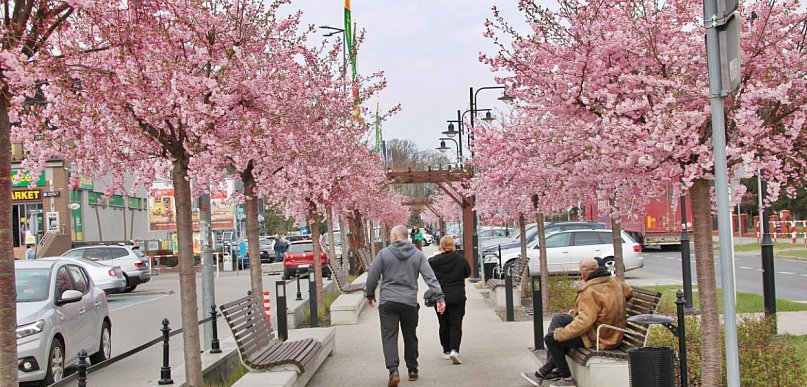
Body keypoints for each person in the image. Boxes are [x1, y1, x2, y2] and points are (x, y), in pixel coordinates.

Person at [521, 258, 633, 387]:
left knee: (552, 339)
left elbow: (583, 322)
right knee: (560, 318)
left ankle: (566, 380)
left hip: (598, 336)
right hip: (612, 331)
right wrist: (611, 307)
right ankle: (551, 369)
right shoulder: (614, 281)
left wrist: (561, 334)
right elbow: (629, 292)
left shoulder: (590, 291)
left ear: (584, 273)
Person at [365, 225, 446, 387]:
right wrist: (440, 298)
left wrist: (370, 295)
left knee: (389, 337)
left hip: (388, 302)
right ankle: (412, 370)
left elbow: (372, 276)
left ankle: (393, 370)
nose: (390, 238)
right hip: (409, 302)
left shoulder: (383, 254)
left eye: (390, 235)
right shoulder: (418, 255)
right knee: (410, 336)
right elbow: (430, 277)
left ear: (395, 236)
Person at [428, 235, 471, 365]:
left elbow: (428, 275)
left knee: (443, 323)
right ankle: (454, 350)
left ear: (441, 245)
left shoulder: (433, 261)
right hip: (457, 296)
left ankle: (446, 350)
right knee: (456, 324)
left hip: (440, 296)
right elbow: (467, 273)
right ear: (453, 245)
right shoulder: (461, 259)